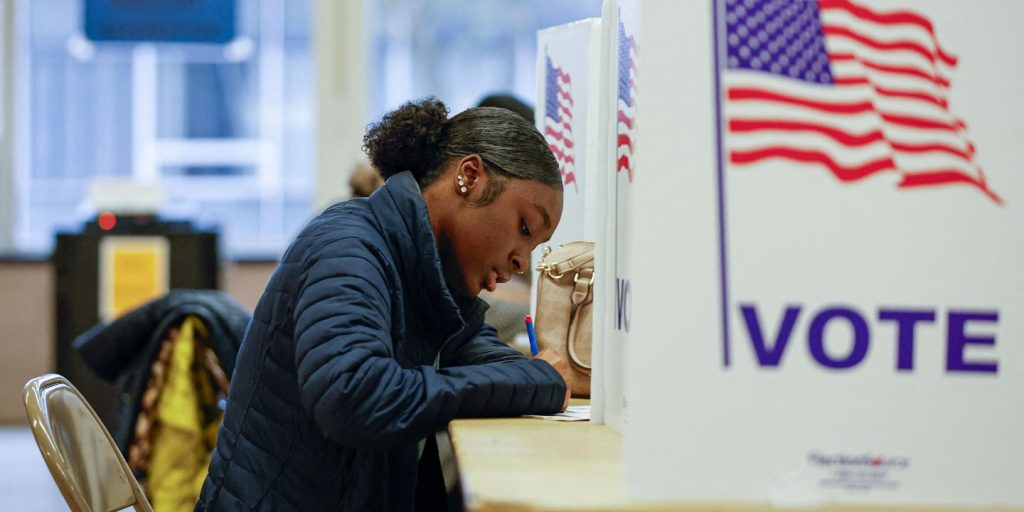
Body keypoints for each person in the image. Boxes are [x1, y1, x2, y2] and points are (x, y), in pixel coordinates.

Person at [195, 98, 571, 511]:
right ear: (470, 176)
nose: (522, 260)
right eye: (523, 227)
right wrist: (535, 382)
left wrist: (541, 377)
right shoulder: (349, 246)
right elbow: (354, 395)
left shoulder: (426, 271)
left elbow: (474, 349)